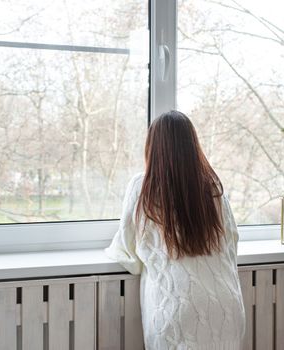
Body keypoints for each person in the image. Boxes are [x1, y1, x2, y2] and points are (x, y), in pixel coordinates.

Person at [105, 110, 245, 349]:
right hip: (226, 306)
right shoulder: (212, 187)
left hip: (176, 310)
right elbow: (231, 241)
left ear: (153, 147)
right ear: (192, 146)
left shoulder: (142, 187)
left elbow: (129, 254)